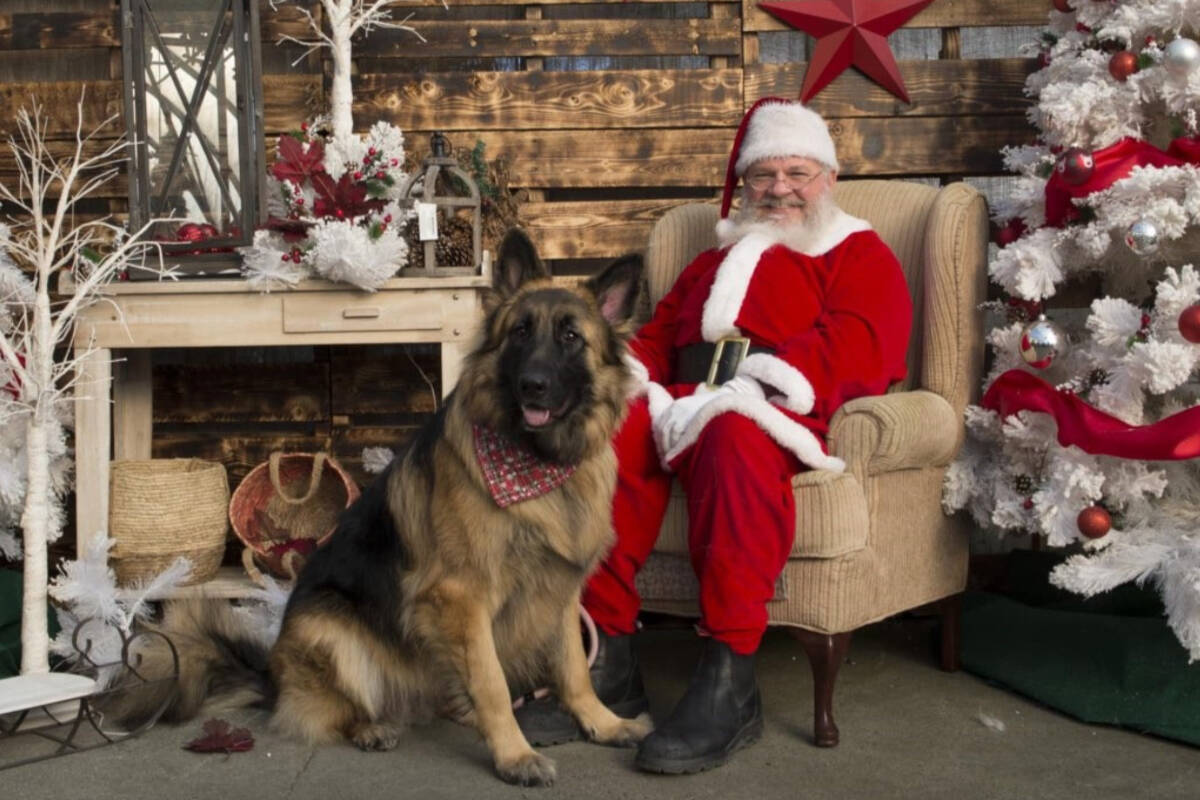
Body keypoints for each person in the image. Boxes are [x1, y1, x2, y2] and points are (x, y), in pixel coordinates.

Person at [516, 97, 914, 773]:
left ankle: (730, 679)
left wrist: (760, 383)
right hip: (684, 402)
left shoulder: (858, 251)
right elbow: (656, 338)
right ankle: (605, 654)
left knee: (734, 433)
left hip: (774, 407)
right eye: (764, 174)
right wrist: (629, 381)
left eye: (797, 172)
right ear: (744, 183)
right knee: (609, 429)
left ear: (828, 181)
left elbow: (866, 343)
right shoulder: (709, 263)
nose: (780, 187)